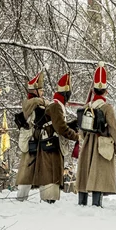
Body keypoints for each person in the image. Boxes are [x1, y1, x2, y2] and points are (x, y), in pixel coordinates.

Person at [75, 62, 116, 207]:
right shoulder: (107, 108)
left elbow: (82, 130)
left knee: (85, 172)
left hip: (89, 142)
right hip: (102, 144)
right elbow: (114, 129)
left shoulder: (87, 107)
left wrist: (85, 138)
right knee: (99, 174)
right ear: (105, 92)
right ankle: (96, 204)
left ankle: (82, 201)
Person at [32, 73, 79, 203]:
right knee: (50, 174)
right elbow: (60, 128)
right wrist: (76, 137)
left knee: (52, 173)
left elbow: (57, 125)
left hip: (52, 143)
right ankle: (49, 200)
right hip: (50, 146)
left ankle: (50, 199)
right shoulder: (56, 106)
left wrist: (73, 124)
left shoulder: (55, 105)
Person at [15, 71, 48, 201]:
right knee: (27, 172)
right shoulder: (32, 102)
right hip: (31, 141)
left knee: (35, 171)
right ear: (35, 91)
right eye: (41, 90)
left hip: (35, 140)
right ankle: (22, 198)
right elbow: (41, 102)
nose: (43, 92)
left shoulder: (34, 102)